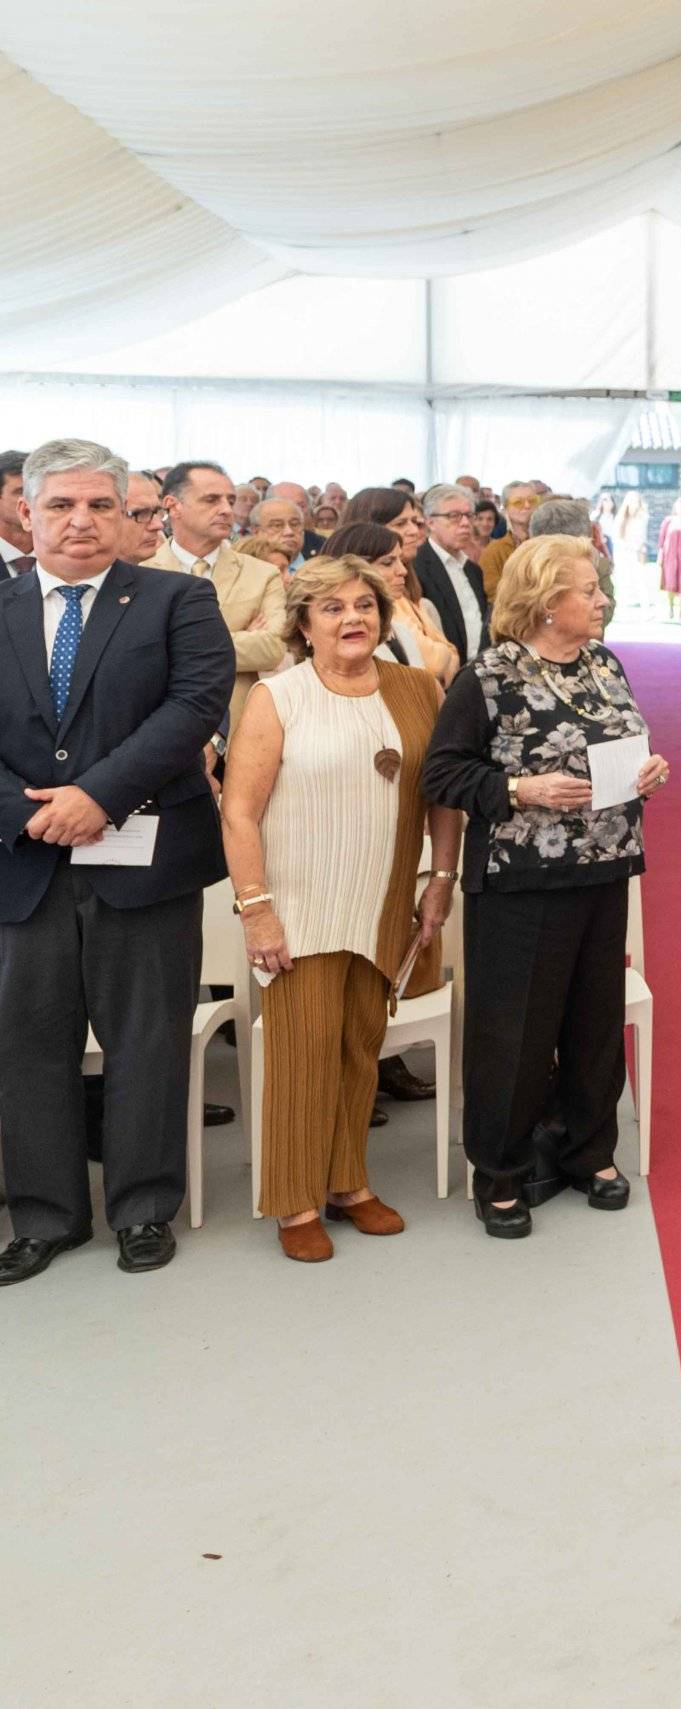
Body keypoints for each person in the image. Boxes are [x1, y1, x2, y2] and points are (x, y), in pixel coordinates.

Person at [0, 439, 232, 1286]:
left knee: (146, 1040)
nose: (82, 522)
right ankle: (45, 1215)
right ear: (28, 512)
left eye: (102, 505)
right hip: (22, 866)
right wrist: (35, 818)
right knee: (27, 1043)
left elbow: (194, 705)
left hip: (144, 861)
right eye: (61, 505)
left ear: (132, 515)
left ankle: (141, 1208)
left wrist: (94, 796)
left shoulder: (177, 599)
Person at [422, 536, 668, 1238]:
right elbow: (442, 774)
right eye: (587, 590)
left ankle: (588, 1149)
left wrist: (649, 771)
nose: (601, 601)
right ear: (543, 601)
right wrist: (520, 787)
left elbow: (626, 742)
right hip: (520, 879)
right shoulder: (489, 675)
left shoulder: (603, 662)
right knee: (516, 1032)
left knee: (593, 1023)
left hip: (605, 865)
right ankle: (500, 1169)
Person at [218, 558, 462, 1261]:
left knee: (360, 1047)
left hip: (384, 896)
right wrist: (257, 909)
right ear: (302, 623)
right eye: (332, 607)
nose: (353, 618)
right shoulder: (278, 695)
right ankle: (294, 1200)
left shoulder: (418, 689)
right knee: (303, 1051)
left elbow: (443, 793)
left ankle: (348, 1181)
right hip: (298, 902)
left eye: (365, 605)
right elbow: (239, 812)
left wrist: (440, 877)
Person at [145, 459, 287, 735]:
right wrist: (237, 638)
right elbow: (141, 660)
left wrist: (173, 643)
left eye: (229, 500)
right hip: (162, 731)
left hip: (243, 732)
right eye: (211, 500)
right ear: (173, 506)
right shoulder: (142, 574)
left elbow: (272, 649)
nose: (225, 510)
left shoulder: (262, 574)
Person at [323, 521, 459, 687]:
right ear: (352, 567)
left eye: (400, 561)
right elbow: (437, 664)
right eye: (388, 563)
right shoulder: (332, 633)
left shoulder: (399, 629)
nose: (403, 571)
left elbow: (422, 687)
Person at [412, 483, 490, 661]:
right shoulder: (417, 567)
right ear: (430, 521)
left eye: (469, 515)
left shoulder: (473, 570)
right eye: (453, 516)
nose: (465, 523)